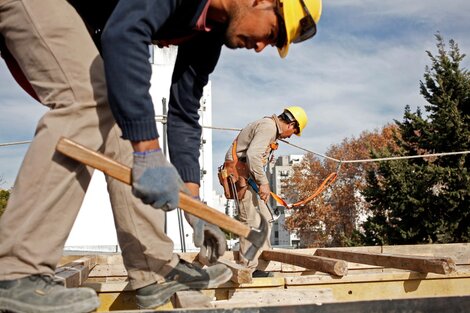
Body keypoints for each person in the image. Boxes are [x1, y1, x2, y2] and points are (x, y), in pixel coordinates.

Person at [0, 0, 322, 312]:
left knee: (121, 122)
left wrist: (194, 207)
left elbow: (184, 114)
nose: (261, 47)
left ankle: (153, 271)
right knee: (89, 101)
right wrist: (148, 150)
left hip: (87, 22)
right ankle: (16, 270)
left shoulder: (209, 34)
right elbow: (125, 32)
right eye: (273, 33)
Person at [222, 106, 308, 275]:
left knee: (266, 218)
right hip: (241, 179)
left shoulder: (269, 129)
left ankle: (261, 266)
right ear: (291, 124)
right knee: (251, 223)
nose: (290, 136)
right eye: (294, 132)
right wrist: (264, 183)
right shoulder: (268, 127)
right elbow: (253, 155)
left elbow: (253, 156)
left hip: (248, 178)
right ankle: (247, 269)